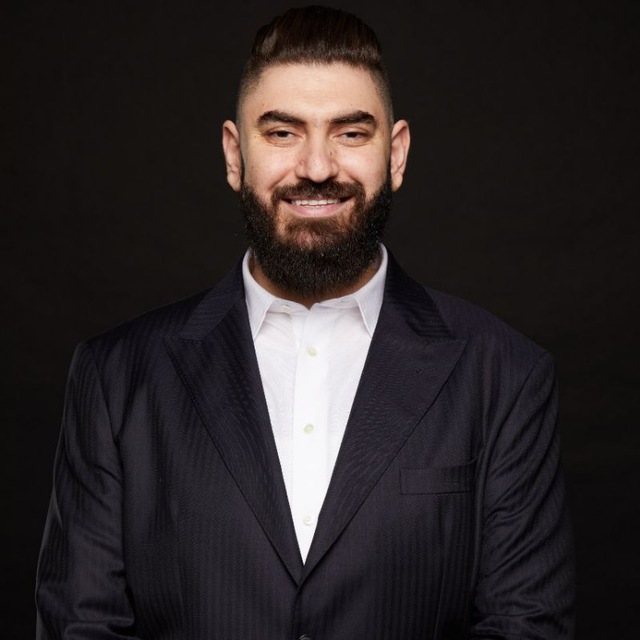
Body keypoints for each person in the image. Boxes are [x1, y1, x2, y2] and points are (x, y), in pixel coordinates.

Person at [35, 6, 574, 639]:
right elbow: (81, 626)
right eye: (283, 133)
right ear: (235, 154)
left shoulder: (505, 375)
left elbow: (526, 627)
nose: (317, 167)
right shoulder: (115, 378)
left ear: (396, 153)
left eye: (351, 133)